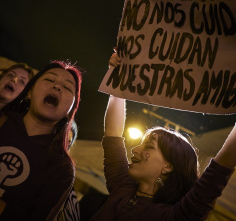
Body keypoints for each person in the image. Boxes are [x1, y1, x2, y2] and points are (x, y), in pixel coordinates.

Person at [90, 55, 236, 221]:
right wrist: (118, 80)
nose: (135, 149)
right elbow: (112, 135)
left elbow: (220, 168)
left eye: (149, 147)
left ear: (168, 166)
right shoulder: (122, 187)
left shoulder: (176, 216)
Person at [0, 60, 82, 221]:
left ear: (71, 110)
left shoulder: (61, 169)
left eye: (68, 87)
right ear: (29, 92)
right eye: (49, 79)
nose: (57, 86)